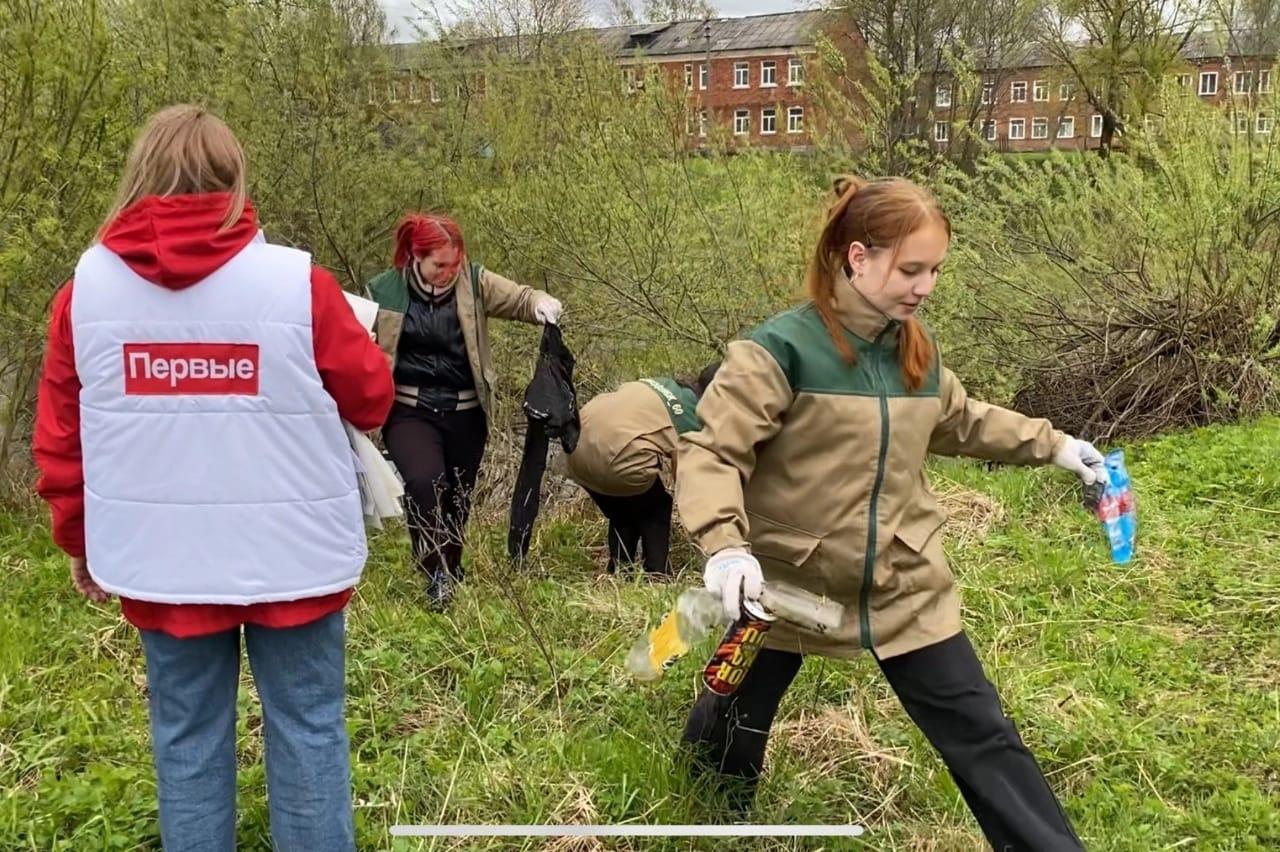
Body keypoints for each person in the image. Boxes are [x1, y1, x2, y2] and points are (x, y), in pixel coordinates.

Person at [675, 176, 1101, 850]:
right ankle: (705, 820)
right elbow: (711, 453)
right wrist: (725, 547)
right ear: (857, 257)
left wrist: (1057, 446)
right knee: (732, 717)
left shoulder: (916, 351)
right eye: (911, 269)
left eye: (934, 270)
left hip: (903, 581)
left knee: (982, 732)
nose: (925, 286)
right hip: (784, 585)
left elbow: (962, 421)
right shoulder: (778, 351)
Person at [32, 105, 394, 851]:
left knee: (187, 740)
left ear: (140, 177)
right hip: (294, 558)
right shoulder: (300, 283)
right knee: (309, 730)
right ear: (233, 179)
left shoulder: (84, 295)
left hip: (163, 564)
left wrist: (79, 540)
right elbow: (371, 399)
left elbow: (62, 440)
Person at [367, 214, 563, 608]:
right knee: (425, 482)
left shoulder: (474, 282)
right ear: (415, 258)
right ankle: (434, 571)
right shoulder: (382, 292)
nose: (448, 272)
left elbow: (520, 298)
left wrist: (543, 304)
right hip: (409, 410)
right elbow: (350, 336)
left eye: (454, 263)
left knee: (458, 497)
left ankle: (450, 568)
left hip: (466, 412)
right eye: (439, 265)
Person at [566, 363, 719, 575]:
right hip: (613, 458)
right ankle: (657, 574)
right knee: (657, 507)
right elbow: (690, 485)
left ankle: (620, 571)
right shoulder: (690, 419)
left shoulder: (663, 383)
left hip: (574, 447)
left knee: (623, 511)